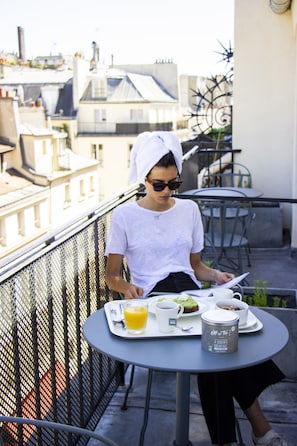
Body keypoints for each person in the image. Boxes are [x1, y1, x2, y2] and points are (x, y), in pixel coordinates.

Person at [105, 131, 287, 446]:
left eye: (174, 183)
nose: (166, 191)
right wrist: (127, 287)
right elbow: (110, 276)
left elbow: (196, 267)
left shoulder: (189, 210)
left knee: (218, 346)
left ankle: (235, 439)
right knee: (219, 346)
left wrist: (217, 276)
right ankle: (260, 431)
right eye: (158, 184)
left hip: (192, 294)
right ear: (144, 180)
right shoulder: (124, 216)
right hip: (155, 301)